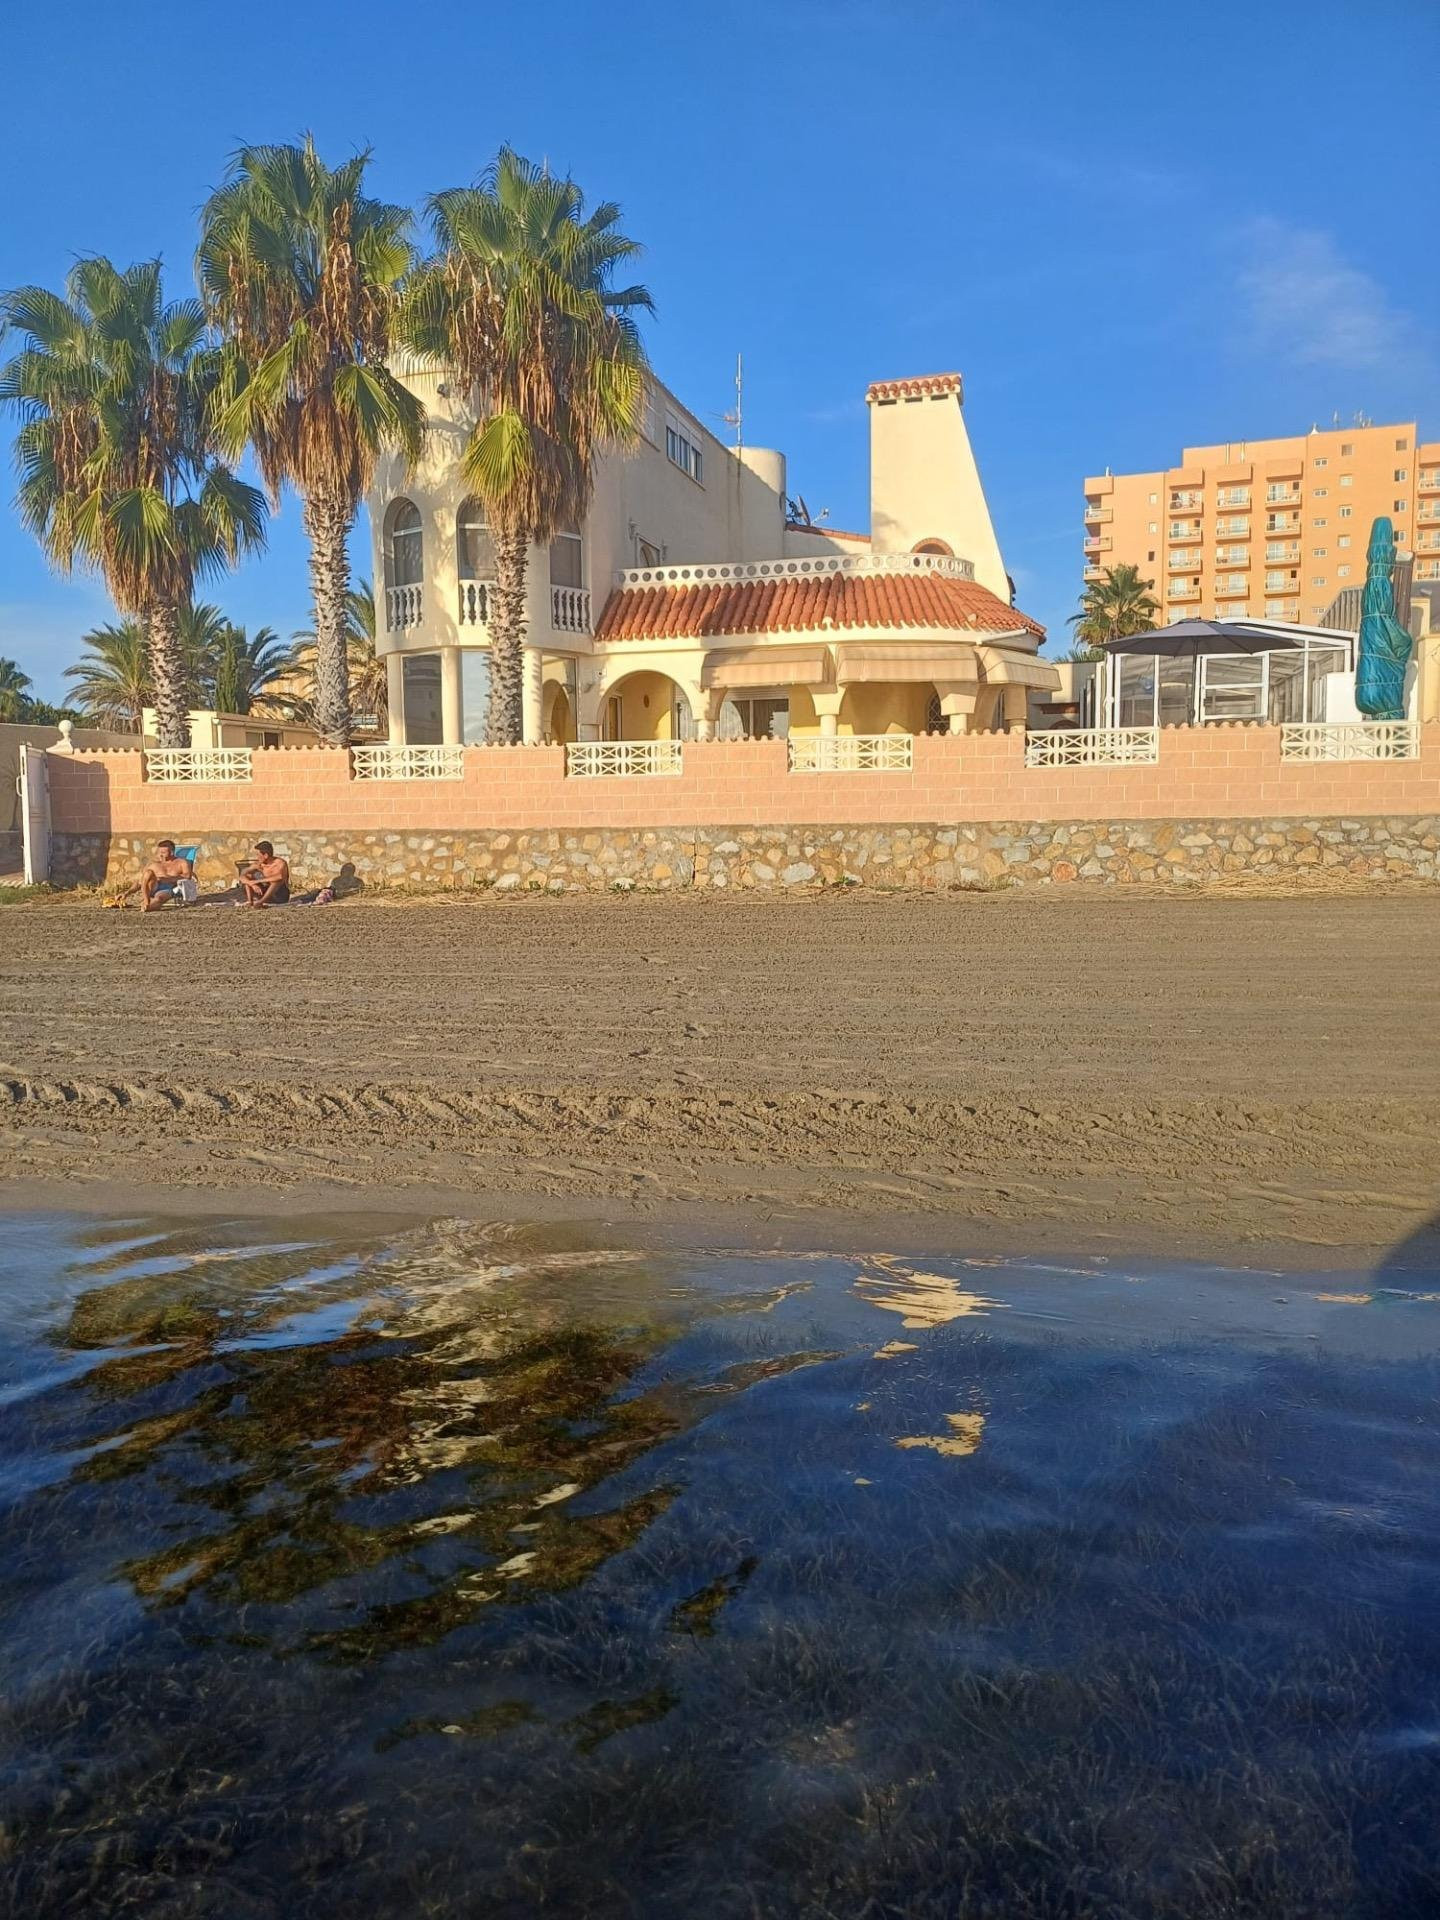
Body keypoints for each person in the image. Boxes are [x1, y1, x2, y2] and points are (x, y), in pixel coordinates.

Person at [122, 838, 195, 912]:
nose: (160, 855)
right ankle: (146, 900)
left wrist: (168, 879)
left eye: (163, 852)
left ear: (172, 852)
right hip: (153, 887)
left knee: (158, 898)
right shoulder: (154, 865)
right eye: (159, 852)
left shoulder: (182, 862)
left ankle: (148, 906)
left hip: (168, 888)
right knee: (148, 872)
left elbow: (187, 876)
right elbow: (140, 882)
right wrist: (126, 893)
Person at [241, 841, 290, 908]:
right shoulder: (258, 864)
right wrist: (251, 884)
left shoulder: (279, 863)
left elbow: (279, 876)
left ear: (266, 855)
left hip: (280, 896)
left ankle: (260, 902)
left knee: (276, 881)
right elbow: (242, 876)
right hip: (265, 893)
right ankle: (250, 902)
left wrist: (257, 881)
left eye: (258, 855)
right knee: (248, 877)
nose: (257, 857)